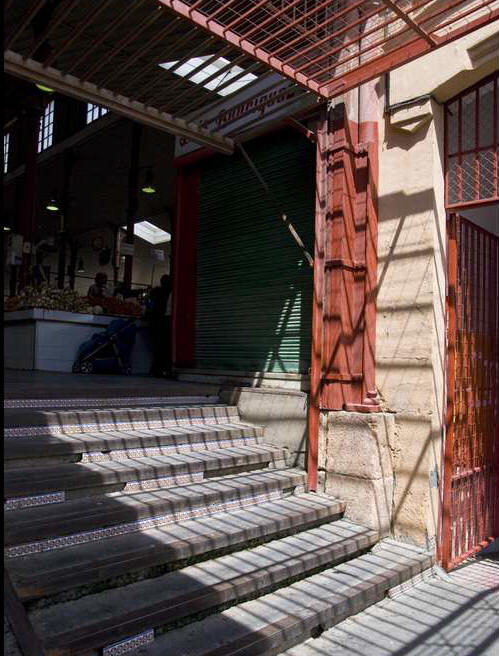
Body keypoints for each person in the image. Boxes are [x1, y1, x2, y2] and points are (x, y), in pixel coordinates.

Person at [146, 274, 172, 377]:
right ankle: (161, 369)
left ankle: (156, 369)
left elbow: (150, 304)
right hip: (164, 321)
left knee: (158, 346)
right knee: (164, 347)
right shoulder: (169, 292)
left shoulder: (157, 292)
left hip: (156, 321)